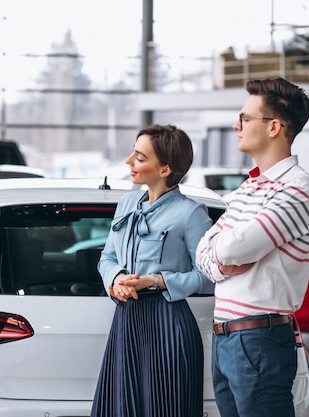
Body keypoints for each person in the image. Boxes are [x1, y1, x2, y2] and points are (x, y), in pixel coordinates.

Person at [195, 78, 309, 417]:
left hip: (259, 339)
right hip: (226, 337)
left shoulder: (299, 189)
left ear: (274, 127)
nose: (236, 125)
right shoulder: (250, 187)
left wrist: (219, 257)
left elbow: (234, 247)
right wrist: (219, 262)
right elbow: (203, 250)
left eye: (245, 118)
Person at [91, 124, 214, 417]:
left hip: (168, 324)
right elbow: (106, 257)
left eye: (140, 157)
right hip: (126, 321)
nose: (129, 162)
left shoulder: (191, 213)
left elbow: (209, 276)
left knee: (166, 406)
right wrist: (116, 278)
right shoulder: (125, 204)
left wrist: (156, 281)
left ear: (165, 169)